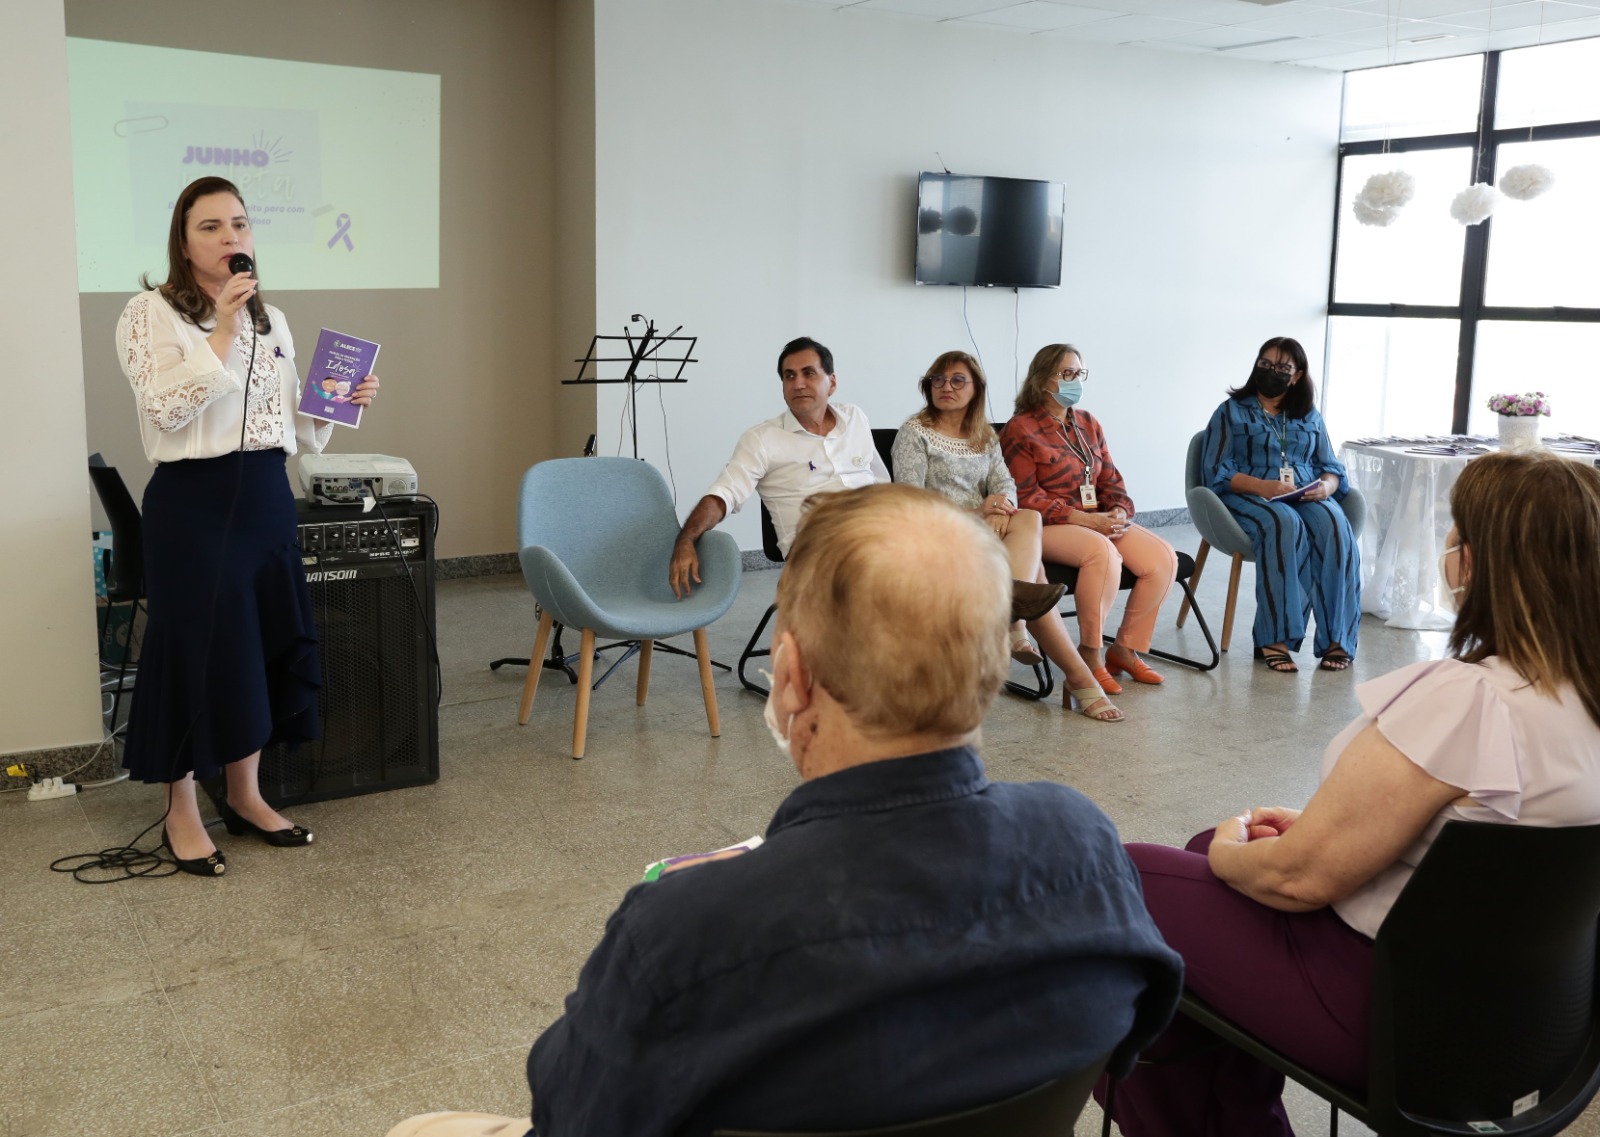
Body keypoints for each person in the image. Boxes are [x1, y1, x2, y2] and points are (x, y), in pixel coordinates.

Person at [386, 483, 1183, 1137]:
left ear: (791, 672)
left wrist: (735, 895)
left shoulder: (681, 929)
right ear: (989, 664)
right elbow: (1135, 1033)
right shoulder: (1085, 843)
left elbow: (572, 1117)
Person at [1101, 449, 1600, 1137]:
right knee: (1198, 888)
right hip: (1521, 1025)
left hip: (1389, 1015)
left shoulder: (1473, 698)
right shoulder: (1580, 699)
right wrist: (1320, 830)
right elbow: (1484, 851)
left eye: (1454, 533)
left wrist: (1227, 848)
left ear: (1479, 561)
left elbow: (1295, 878)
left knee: (1116, 876)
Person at [114, 175, 380, 876]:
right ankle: (182, 811)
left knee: (257, 647)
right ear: (183, 240)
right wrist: (224, 330)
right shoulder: (150, 314)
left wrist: (336, 403)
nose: (231, 238)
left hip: (265, 495)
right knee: (196, 653)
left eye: (240, 224)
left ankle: (247, 794)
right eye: (211, 227)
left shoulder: (274, 318)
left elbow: (293, 428)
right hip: (193, 504)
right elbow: (166, 408)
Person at [892, 350, 1121, 722]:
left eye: (957, 380)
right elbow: (912, 504)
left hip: (990, 530)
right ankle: (1070, 669)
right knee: (1036, 578)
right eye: (938, 380)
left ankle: (1017, 617)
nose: (945, 387)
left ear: (976, 388)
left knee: (1027, 517)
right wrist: (982, 512)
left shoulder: (984, 435)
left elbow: (1007, 485)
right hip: (941, 534)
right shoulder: (914, 433)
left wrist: (1000, 509)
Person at [1001, 344, 1179, 696]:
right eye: (1066, 374)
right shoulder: (1020, 428)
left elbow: (1111, 480)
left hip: (1096, 520)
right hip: (1046, 525)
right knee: (1102, 553)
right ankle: (1090, 655)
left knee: (1163, 558)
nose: (1075, 381)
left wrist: (1118, 511)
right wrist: (1081, 519)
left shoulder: (1087, 423)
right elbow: (1024, 496)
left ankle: (1125, 649)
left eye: (1078, 374)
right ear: (1042, 380)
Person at [668, 336, 887, 598]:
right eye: (789, 376)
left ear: (832, 383)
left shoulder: (854, 418)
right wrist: (686, 539)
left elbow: (881, 483)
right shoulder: (762, 439)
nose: (798, 384)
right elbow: (724, 494)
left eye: (809, 373)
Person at [1198, 336, 1359, 673]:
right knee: (1284, 524)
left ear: (1297, 375)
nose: (1271, 372)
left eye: (1282, 368)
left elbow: (1331, 465)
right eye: (1265, 364)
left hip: (1305, 493)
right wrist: (1262, 486)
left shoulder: (1308, 415)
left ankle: (1337, 639)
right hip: (1246, 494)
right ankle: (1275, 638)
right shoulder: (1231, 411)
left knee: (1335, 526)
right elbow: (1215, 470)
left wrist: (1327, 487)